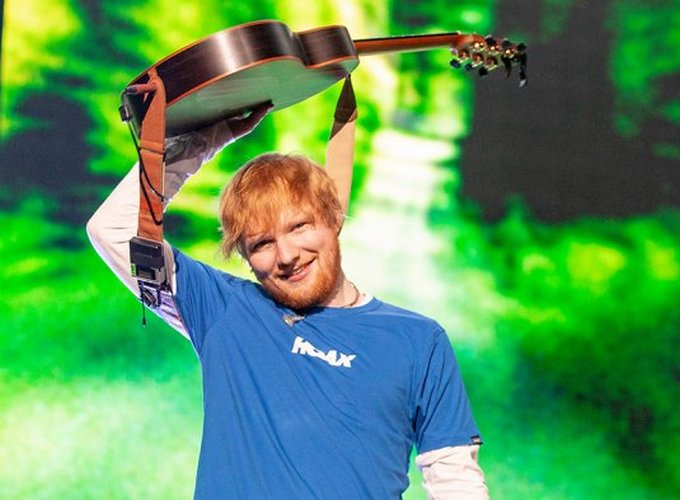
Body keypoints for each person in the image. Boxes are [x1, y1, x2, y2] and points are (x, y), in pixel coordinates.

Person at [87, 78, 489, 499]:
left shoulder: (419, 340)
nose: (287, 255)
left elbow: (456, 481)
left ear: (333, 218)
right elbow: (112, 229)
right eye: (262, 243)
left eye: (299, 227)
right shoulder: (224, 309)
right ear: (244, 256)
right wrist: (204, 142)